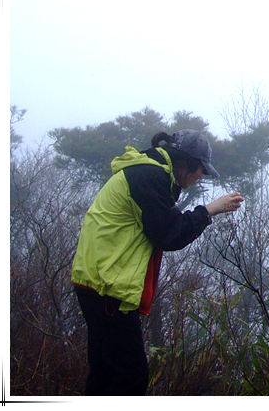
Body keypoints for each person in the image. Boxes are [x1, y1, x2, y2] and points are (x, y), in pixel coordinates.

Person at [71, 129, 244, 396]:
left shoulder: (148, 172)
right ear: (186, 164)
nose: (200, 178)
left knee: (106, 373)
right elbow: (169, 233)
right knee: (130, 376)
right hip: (108, 286)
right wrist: (210, 210)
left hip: (98, 281)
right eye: (201, 171)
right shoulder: (149, 176)